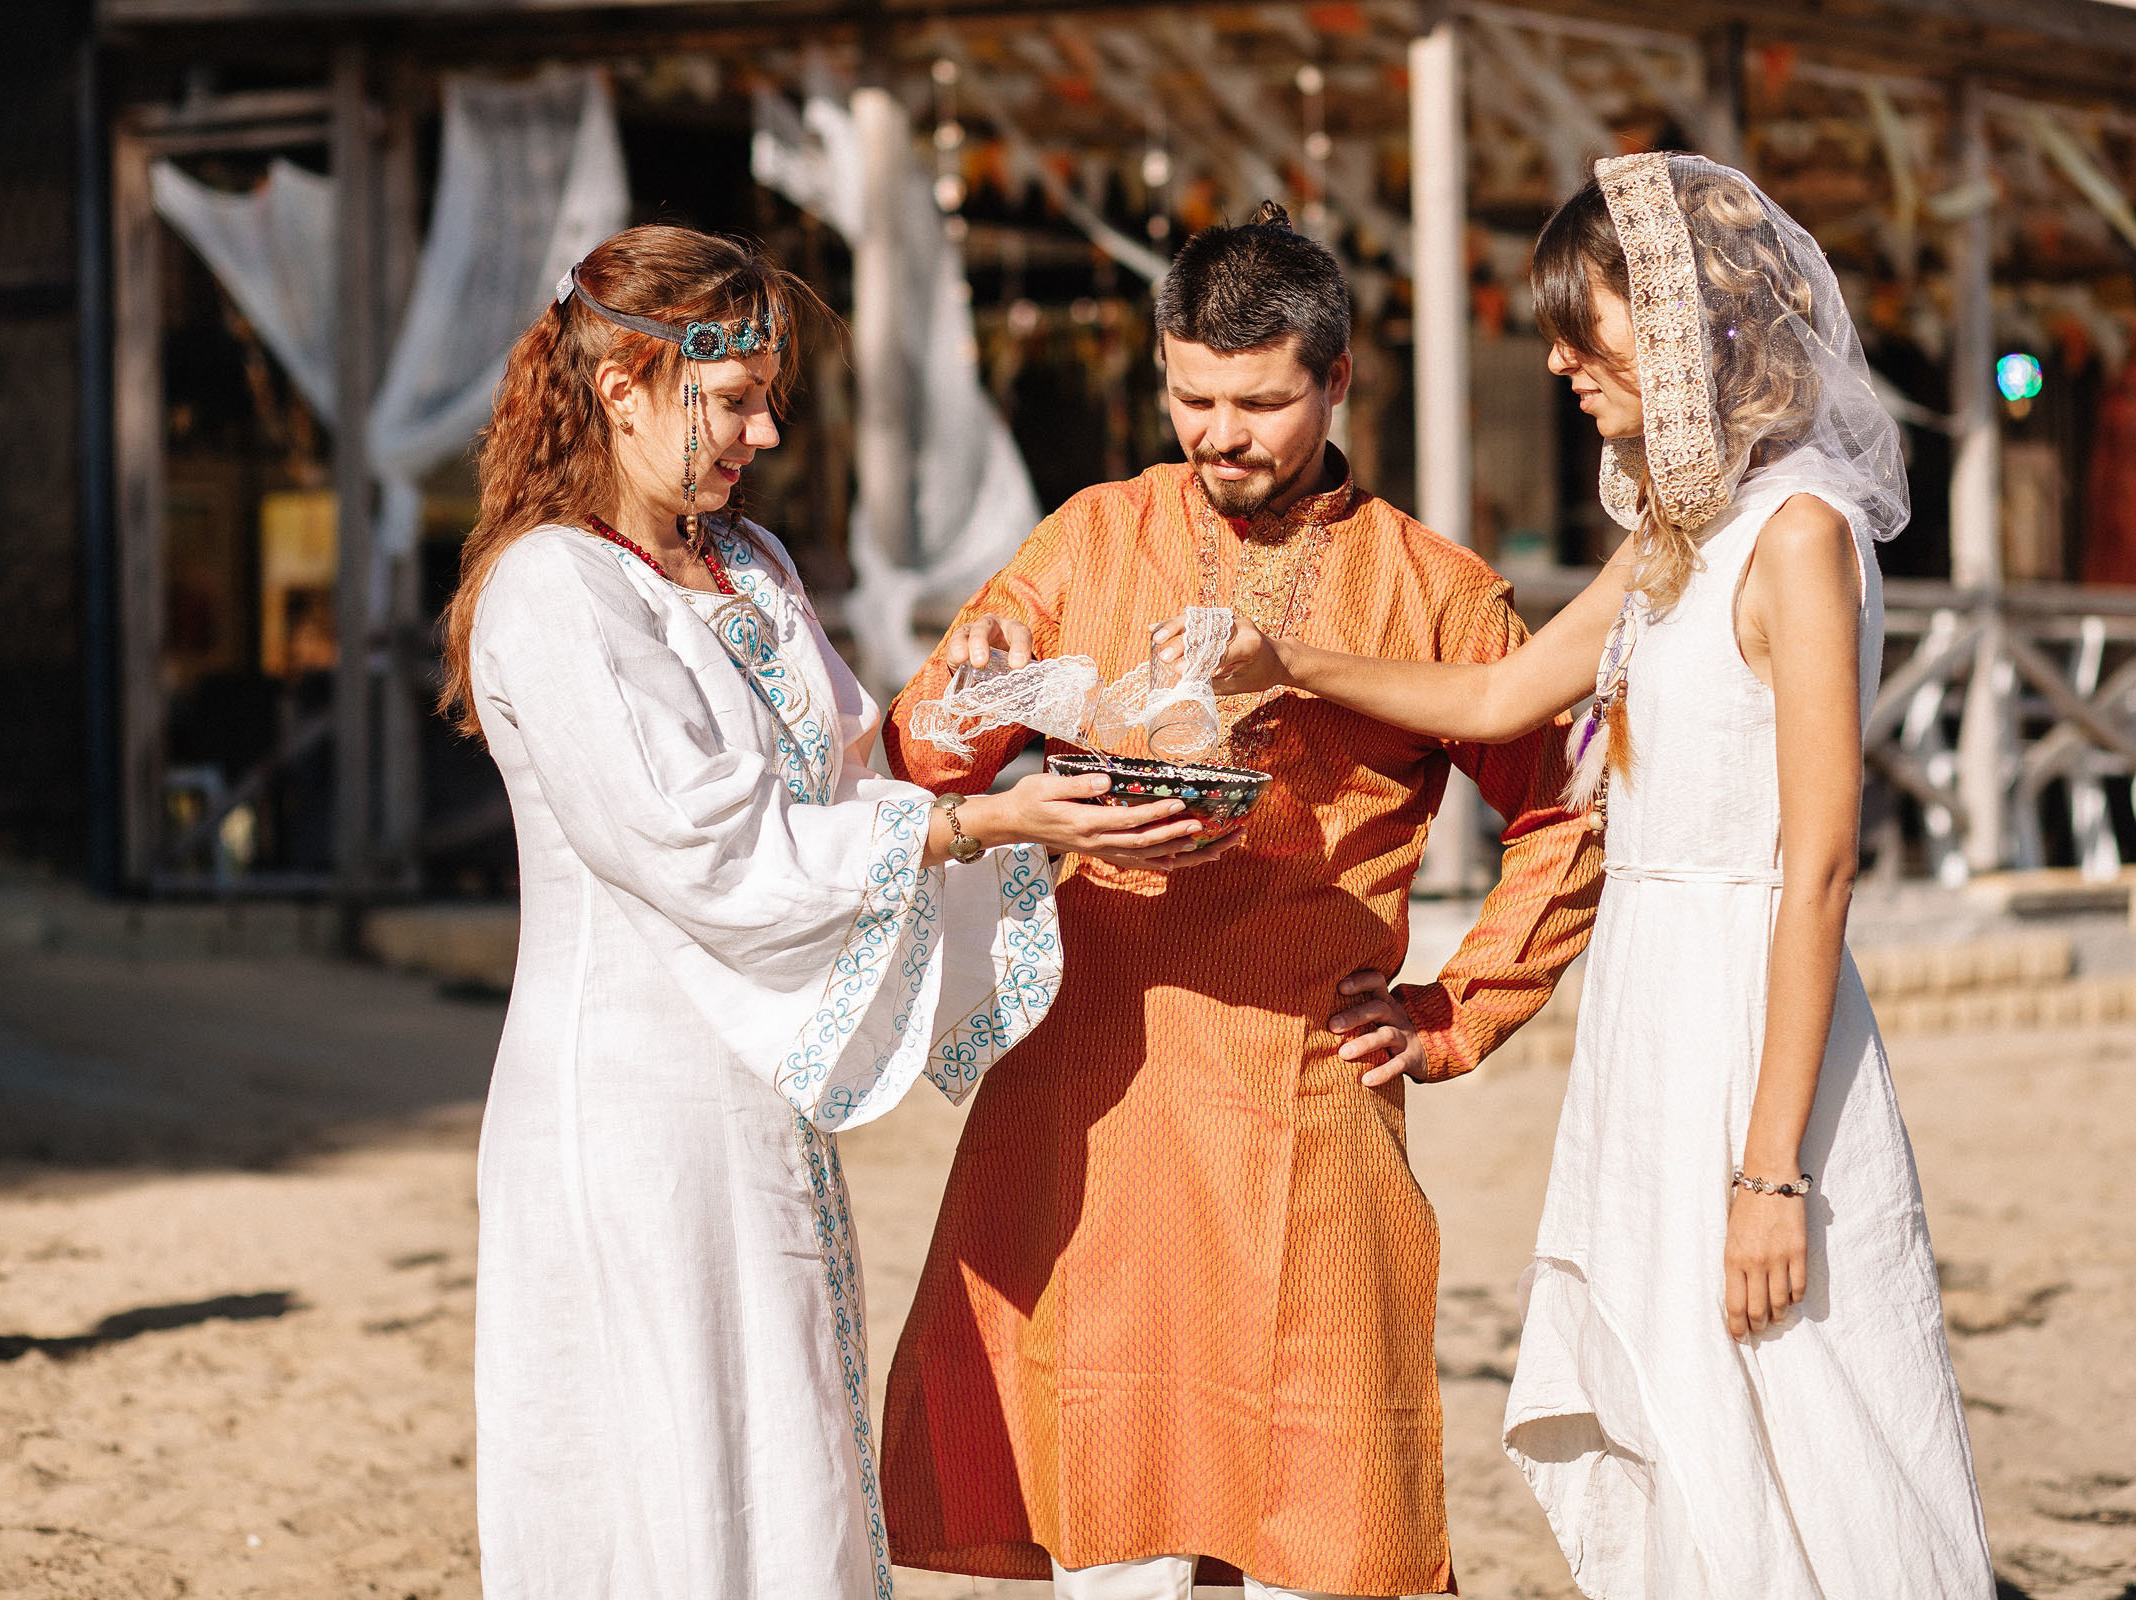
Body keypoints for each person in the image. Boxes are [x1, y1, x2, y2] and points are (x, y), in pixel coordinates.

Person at [1179, 155, 1994, 1597]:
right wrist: (1286, 659)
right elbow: (1505, 703)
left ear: (1690, 328)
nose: (1557, 358)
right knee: (1685, 1418)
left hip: (1751, 1011)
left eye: (1584, 326)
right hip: (1650, 1009)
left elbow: (1816, 870)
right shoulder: (1680, 531)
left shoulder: (1797, 538)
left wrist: (1770, 1173)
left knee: (1799, 1404)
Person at [444, 225, 1220, 1600]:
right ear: (625, 385)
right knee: (660, 1452)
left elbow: (854, 773)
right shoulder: (553, 592)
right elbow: (699, 840)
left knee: (781, 1437)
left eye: (766, 394)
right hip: (626, 1102)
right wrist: (977, 824)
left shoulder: (749, 565)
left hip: (758, 1094)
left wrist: (988, 706)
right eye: (734, 397)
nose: (767, 427)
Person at [876, 203, 1606, 1600]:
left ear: (1337, 383)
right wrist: (971, 685)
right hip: (1089, 1095)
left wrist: (1456, 1008)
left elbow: (1576, 807)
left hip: (1305, 1100)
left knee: (1322, 1529)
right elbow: (925, 749)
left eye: (1263, 401)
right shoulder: (1090, 539)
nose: (1223, 433)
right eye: (1195, 397)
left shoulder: (1431, 589)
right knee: (1114, 1520)